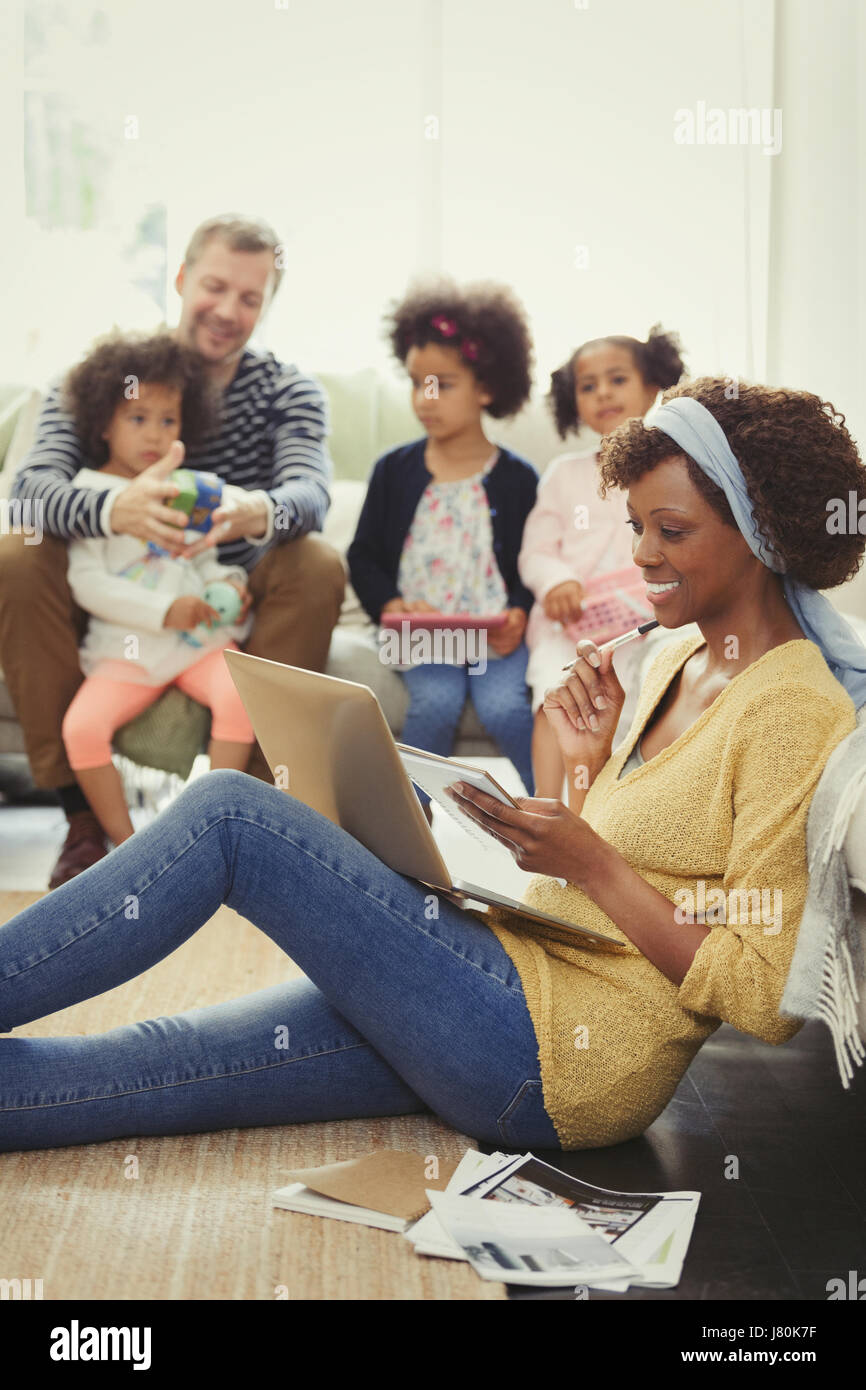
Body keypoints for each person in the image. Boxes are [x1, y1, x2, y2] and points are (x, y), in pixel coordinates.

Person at [2, 376, 865, 1156]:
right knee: (157, 1063)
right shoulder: (679, 658)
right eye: (635, 526)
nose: (639, 555)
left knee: (233, 814)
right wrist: (587, 767)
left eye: (669, 531)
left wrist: (590, 860)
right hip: (492, 981)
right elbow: (629, 852)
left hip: (556, 1059)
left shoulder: (790, 709)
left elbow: (766, 995)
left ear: (761, 529)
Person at [0, 214, 345, 887]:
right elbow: (28, 492)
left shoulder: (287, 392)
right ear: (183, 279)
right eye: (215, 286)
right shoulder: (105, 376)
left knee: (317, 560)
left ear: (267, 307)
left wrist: (256, 511)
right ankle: (83, 820)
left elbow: (310, 494)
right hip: (104, 598)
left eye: (250, 298)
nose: (227, 311)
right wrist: (110, 508)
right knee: (17, 550)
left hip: (220, 602)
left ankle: (246, 822)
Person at [347, 279, 539, 812]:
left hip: (495, 635)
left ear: (487, 386)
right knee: (434, 701)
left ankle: (557, 817)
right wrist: (390, 604)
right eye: (415, 383)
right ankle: (410, 824)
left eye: (442, 384)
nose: (423, 399)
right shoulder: (393, 470)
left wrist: (521, 612)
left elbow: (534, 562)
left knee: (507, 710)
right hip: (420, 633)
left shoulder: (520, 479)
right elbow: (361, 555)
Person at [60, 331, 257, 847]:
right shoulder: (89, 494)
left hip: (197, 645)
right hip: (127, 651)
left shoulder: (187, 486)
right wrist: (164, 609)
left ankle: (221, 830)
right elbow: (87, 582)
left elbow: (210, 557)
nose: (153, 434)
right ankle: (127, 849)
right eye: (137, 417)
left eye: (167, 420)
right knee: (81, 730)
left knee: (245, 696)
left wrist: (228, 585)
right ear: (104, 421)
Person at [519, 325, 686, 797]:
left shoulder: (675, 469)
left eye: (617, 380)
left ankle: (605, 825)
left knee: (640, 701)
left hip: (647, 626)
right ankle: (547, 818)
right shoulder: (563, 475)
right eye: (588, 386)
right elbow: (536, 550)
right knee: (556, 699)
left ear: (653, 387)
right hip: (567, 626)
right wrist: (556, 582)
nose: (603, 393)